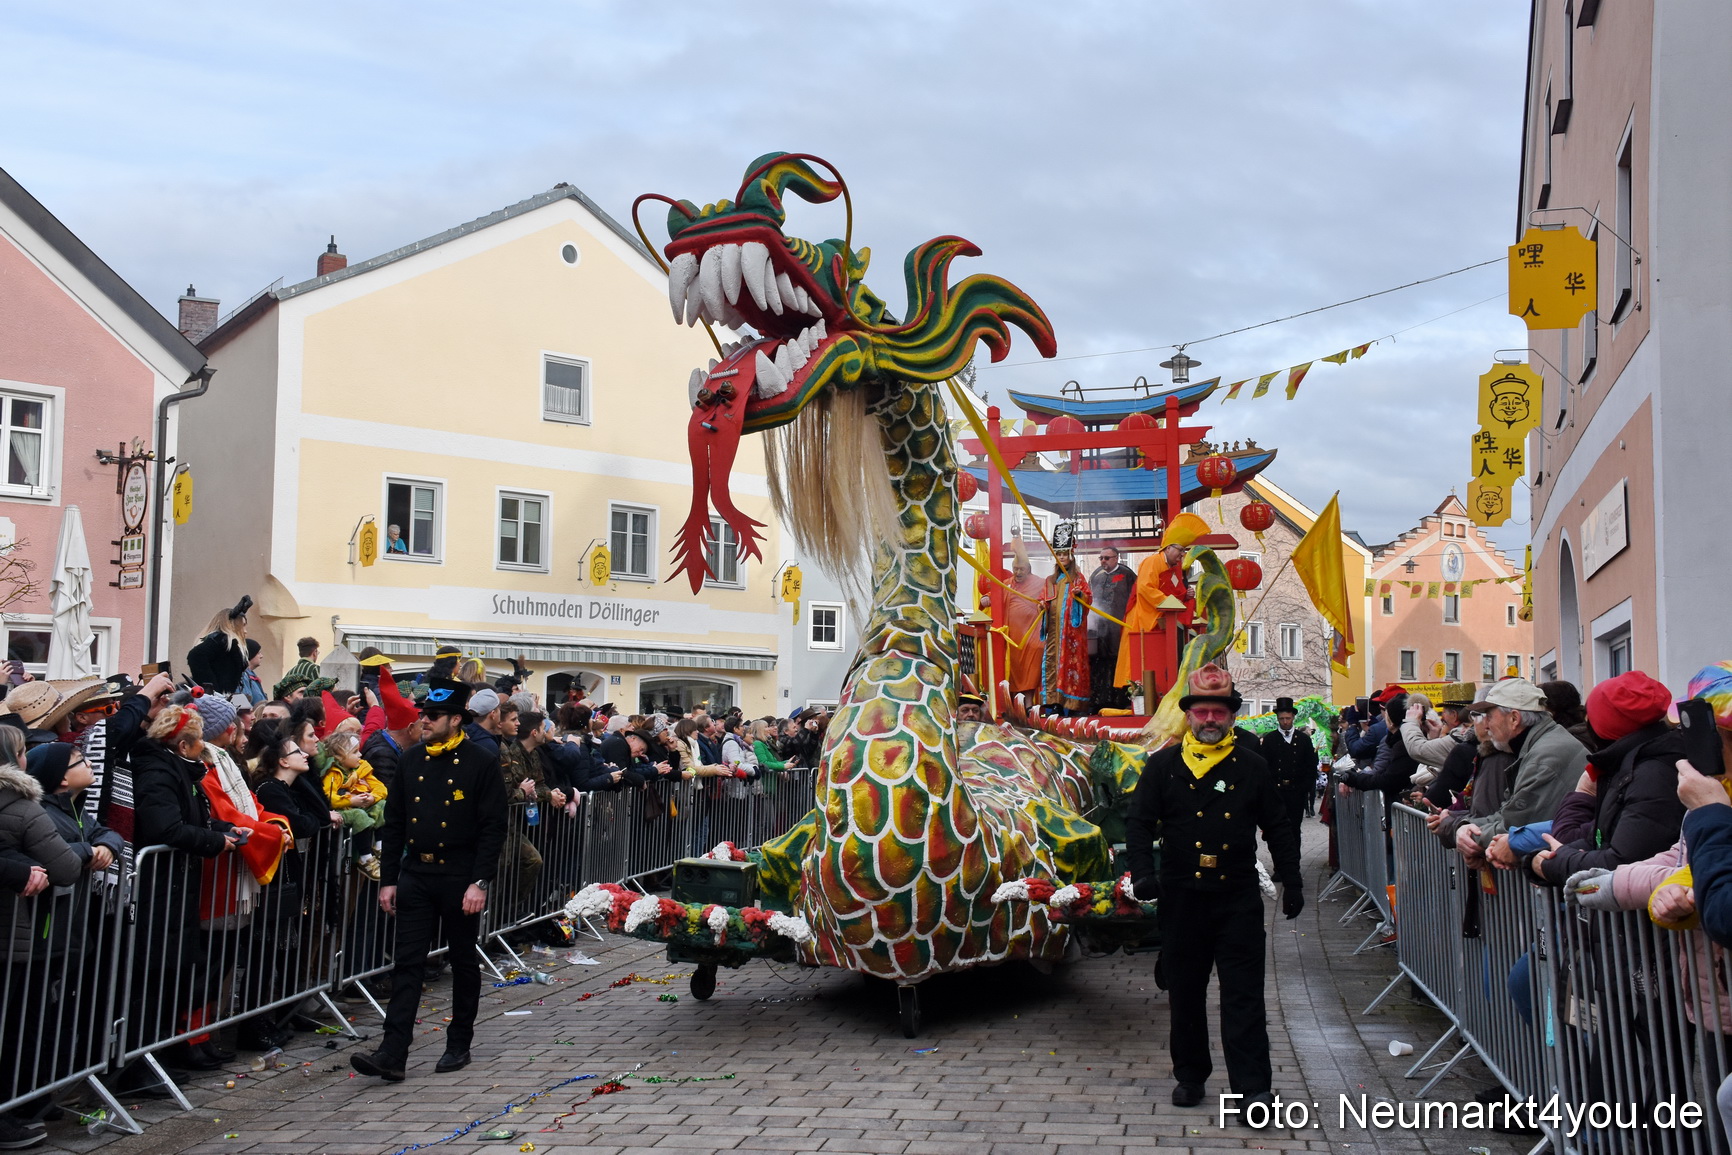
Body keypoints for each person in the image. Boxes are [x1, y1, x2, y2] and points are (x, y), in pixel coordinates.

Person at [1122, 663, 1302, 1108]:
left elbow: (1277, 826)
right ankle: (1190, 1074)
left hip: (1237, 896)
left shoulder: (1253, 766)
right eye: (1201, 712)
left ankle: (1253, 1088)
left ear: (1232, 717)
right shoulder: (1163, 766)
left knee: (1244, 995)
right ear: (1188, 715)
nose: (1209, 720)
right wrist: (1142, 873)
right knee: (1185, 993)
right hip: (1182, 897)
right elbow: (1139, 823)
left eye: (1218, 712)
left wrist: (1293, 878)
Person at [352, 679, 508, 1082]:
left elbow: (493, 827)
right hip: (417, 874)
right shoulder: (411, 760)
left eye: (433, 715)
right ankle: (392, 1052)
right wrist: (389, 880)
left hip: (459, 875)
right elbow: (395, 823)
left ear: (455, 719)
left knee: (463, 959)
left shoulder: (480, 761)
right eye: (424, 714)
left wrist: (480, 882)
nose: (424, 720)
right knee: (407, 962)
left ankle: (459, 1043)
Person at [1524, 670, 1684, 886]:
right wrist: (1549, 857)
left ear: (1605, 726)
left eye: (1591, 717)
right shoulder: (1636, 764)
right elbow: (1600, 838)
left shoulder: (1650, 775)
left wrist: (1550, 864)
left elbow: (1622, 861)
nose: (1586, 722)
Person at [1463, 679, 1588, 869]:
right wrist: (1465, 826)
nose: (1485, 725)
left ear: (1514, 719)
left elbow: (1513, 826)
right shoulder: (1540, 745)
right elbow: (1508, 814)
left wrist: (1467, 834)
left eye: (1489, 716)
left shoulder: (1543, 757)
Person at [1114, 512, 1209, 694]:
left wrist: (1185, 594)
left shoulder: (1173, 569)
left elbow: (1175, 591)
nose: (1182, 555)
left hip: (1162, 618)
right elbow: (1145, 588)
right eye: (1180, 550)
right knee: (1138, 662)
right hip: (1144, 617)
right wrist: (1168, 602)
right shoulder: (1152, 562)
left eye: (1184, 551)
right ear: (1168, 548)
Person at [1039, 522, 1092, 716]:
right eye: (1058, 554)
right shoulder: (1050, 581)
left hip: (1072, 635)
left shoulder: (1078, 578)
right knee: (1052, 664)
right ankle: (1054, 703)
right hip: (1054, 634)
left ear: (1071, 555)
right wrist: (1042, 607)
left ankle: (1073, 704)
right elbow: (1043, 600)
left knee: (1071, 665)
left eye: (1064, 553)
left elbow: (1088, 599)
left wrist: (1079, 596)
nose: (1062, 557)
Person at [321, 730, 388, 881]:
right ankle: (365, 858)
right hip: (340, 812)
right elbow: (328, 798)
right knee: (359, 815)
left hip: (359, 806)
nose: (360, 755)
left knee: (383, 805)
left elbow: (381, 788)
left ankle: (380, 846)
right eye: (355, 752)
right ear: (339, 756)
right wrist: (351, 801)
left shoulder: (362, 768)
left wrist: (372, 797)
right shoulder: (333, 773)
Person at [1259, 697, 1317, 842]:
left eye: (1288, 718)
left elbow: (1311, 766)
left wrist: (1304, 788)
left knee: (1294, 828)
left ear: (1293, 718)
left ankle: (1295, 856)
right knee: (1277, 829)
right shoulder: (1270, 739)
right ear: (1277, 719)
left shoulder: (1303, 739)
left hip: (1296, 792)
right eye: (1282, 719)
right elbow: (1264, 767)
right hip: (1277, 792)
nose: (1285, 722)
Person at [1087, 545, 1137, 711]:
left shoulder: (1127, 575)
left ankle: (1120, 700)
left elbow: (1137, 596)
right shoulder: (1096, 575)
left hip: (1119, 625)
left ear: (1116, 558)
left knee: (1117, 660)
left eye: (1107, 558)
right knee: (1098, 661)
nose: (1103, 561)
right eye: (1101, 558)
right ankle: (1098, 700)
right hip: (1098, 626)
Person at [1001, 543, 1046, 700]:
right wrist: (986, 598)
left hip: (1032, 635)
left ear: (1028, 569)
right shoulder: (1007, 583)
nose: (1018, 572)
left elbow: (1049, 599)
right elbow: (993, 595)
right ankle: (1014, 704)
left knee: (1031, 670)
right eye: (1015, 569)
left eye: (1021, 569)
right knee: (1013, 671)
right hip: (1012, 637)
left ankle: (1028, 705)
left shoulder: (1040, 583)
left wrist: (1044, 605)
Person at [185, 596, 253, 695]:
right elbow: (196, 655)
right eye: (243, 626)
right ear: (232, 625)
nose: (245, 631)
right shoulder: (221, 641)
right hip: (214, 699)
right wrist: (212, 691)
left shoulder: (226, 644)